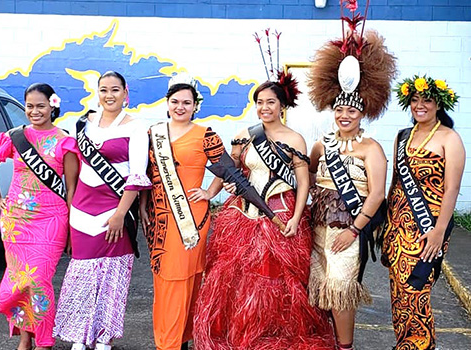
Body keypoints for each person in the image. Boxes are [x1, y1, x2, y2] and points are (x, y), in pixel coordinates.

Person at [193, 72, 335, 349]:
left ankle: (271, 334)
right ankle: (240, 333)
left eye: (270, 102)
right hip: (242, 216)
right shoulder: (244, 136)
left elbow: (303, 183)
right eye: (259, 102)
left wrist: (296, 218)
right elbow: (229, 170)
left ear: (282, 105)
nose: (264, 108)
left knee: (274, 278)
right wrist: (211, 192)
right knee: (235, 277)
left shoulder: (295, 139)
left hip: (281, 215)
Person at [306, 4, 397, 348]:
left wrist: (355, 229)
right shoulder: (321, 143)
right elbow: (309, 173)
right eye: (340, 109)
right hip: (318, 227)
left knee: (342, 289)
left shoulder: (371, 148)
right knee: (320, 287)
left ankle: (345, 346)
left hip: (349, 229)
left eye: (352, 110)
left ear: (363, 113)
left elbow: (376, 194)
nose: (345, 115)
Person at [53, 71, 152, 350]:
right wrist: (70, 205)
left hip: (115, 210)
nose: (109, 95)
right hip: (82, 211)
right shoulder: (83, 123)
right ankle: (79, 336)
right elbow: (73, 168)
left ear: (125, 93)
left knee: (112, 277)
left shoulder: (136, 127)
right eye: (104, 90)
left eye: (115, 90)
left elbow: (136, 175)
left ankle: (103, 337)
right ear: (98, 92)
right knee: (81, 275)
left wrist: (121, 213)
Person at [0, 83, 79, 350]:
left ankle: (44, 341)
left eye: (40, 106)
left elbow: (71, 188)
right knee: (20, 282)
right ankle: (25, 337)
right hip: (17, 222)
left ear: (52, 106)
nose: (34, 111)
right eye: (30, 106)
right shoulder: (15, 137)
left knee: (38, 280)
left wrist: (71, 229)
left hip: (51, 221)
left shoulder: (64, 141)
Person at [138, 73, 225, 350]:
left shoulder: (206, 134)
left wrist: (210, 192)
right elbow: (146, 173)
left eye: (186, 102)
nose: (180, 107)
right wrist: (142, 205)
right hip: (159, 216)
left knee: (183, 278)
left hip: (192, 218)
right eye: (175, 101)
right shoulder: (154, 133)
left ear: (195, 105)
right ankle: (178, 338)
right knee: (165, 278)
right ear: (167, 103)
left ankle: (171, 342)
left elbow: (227, 167)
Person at [382, 76, 465, 350]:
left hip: (428, 227)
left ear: (438, 103)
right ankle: (404, 343)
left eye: (427, 100)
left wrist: (439, 233)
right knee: (398, 293)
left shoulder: (449, 138)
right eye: (415, 100)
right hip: (397, 226)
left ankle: (420, 344)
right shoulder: (402, 136)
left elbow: (452, 190)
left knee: (416, 288)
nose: (420, 105)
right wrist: (386, 224)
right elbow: (395, 182)